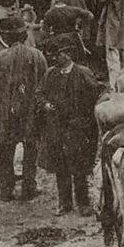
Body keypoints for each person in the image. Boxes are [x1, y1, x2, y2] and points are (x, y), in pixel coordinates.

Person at [0, 16, 47, 202]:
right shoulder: (37, 55)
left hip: (7, 111)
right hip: (31, 111)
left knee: (6, 149)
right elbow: (45, 79)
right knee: (31, 148)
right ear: (24, 35)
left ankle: (6, 190)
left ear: (5, 36)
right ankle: (29, 187)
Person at [36, 33, 104, 216]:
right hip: (56, 128)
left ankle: (83, 204)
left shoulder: (83, 73)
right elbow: (39, 94)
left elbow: (98, 93)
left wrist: (86, 119)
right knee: (61, 167)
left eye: (57, 54)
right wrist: (46, 105)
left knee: (79, 167)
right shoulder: (50, 74)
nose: (53, 58)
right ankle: (64, 203)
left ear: (68, 54)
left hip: (78, 129)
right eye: (51, 55)